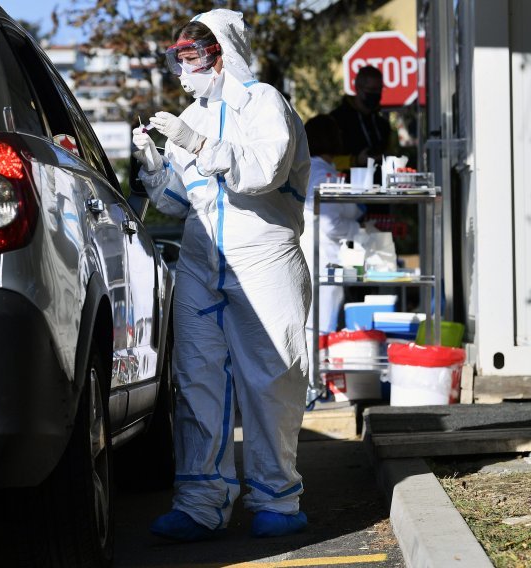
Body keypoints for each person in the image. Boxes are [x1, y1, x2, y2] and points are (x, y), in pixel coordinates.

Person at [131, 9, 311, 541]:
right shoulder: (198, 116)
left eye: (190, 59)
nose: (182, 72)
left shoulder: (265, 104)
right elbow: (178, 200)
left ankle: (276, 497)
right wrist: (153, 163)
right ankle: (199, 501)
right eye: (178, 60)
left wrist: (195, 143)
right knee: (196, 378)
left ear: (222, 55)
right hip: (200, 258)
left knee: (270, 377)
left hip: (264, 256)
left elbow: (263, 171)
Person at [298, 115, 362, 374]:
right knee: (321, 324)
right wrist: (361, 229)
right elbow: (330, 224)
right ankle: (318, 383)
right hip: (323, 257)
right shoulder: (324, 175)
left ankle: (312, 381)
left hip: (306, 253)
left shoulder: (307, 171)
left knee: (309, 325)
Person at [330, 65, 396, 174]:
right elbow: (325, 161)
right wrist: (355, 161)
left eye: (379, 90)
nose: (375, 94)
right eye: (371, 90)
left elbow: (389, 152)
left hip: (379, 185)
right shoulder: (337, 120)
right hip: (348, 185)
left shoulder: (382, 124)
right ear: (357, 88)